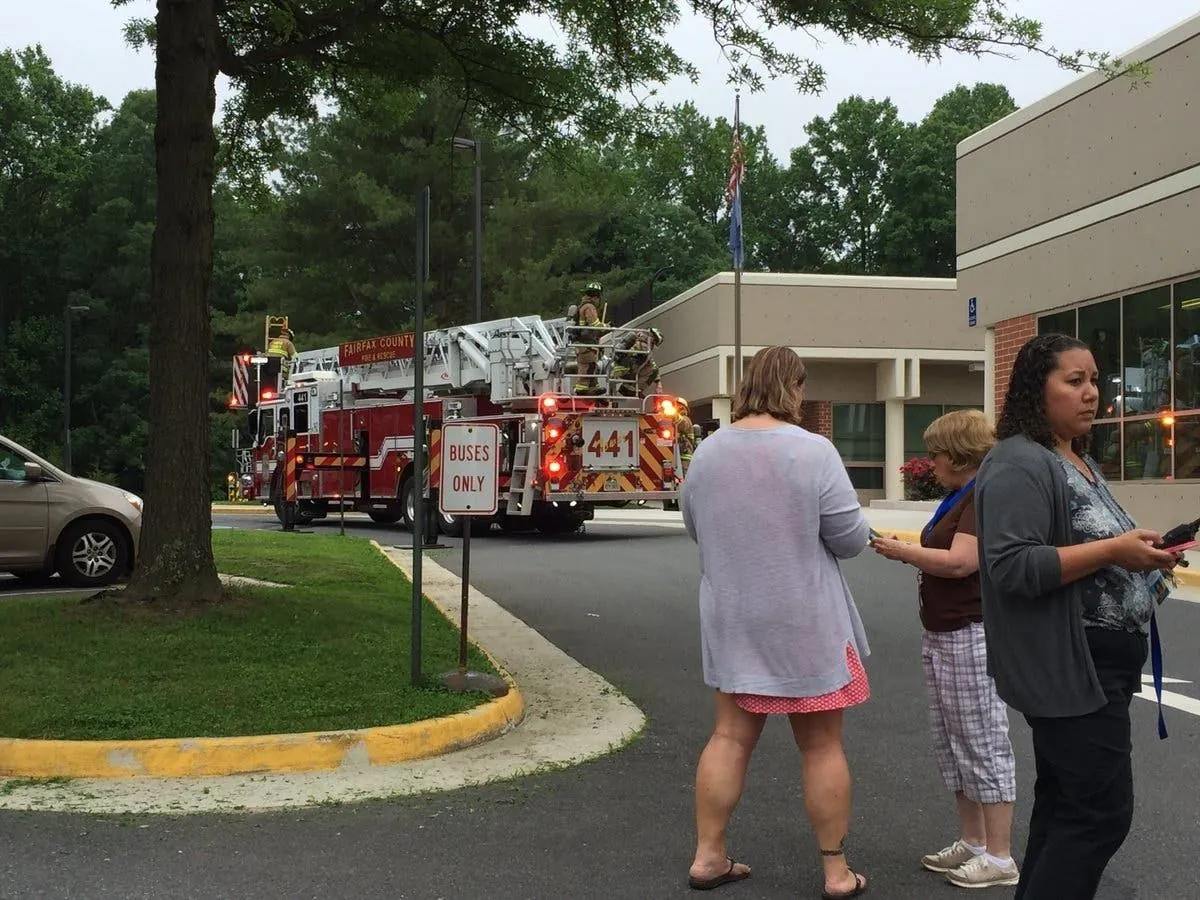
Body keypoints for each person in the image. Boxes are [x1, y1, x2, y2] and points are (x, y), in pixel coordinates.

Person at [974, 332, 1181, 899]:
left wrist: (1140, 550)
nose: (1093, 393)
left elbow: (1088, 547)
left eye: (1095, 380)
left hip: (1099, 670)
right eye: (1075, 381)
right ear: (1034, 389)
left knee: (1067, 809)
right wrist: (1116, 551)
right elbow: (1013, 566)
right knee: (1099, 815)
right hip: (1071, 672)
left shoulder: (1075, 458)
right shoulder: (1018, 461)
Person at [681, 346, 871, 899]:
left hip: (734, 616)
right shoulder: (815, 452)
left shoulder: (708, 452)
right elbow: (850, 539)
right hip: (804, 621)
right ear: (793, 387)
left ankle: (708, 856)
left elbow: (696, 527)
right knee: (820, 747)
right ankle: (836, 872)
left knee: (729, 737)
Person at [871, 409, 1019, 889]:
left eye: (934, 453)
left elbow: (960, 563)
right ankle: (974, 842)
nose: (928, 461)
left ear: (958, 455)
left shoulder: (980, 497)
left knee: (982, 741)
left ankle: (999, 856)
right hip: (943, 632)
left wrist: (903, 551)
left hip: (969, 633)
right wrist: (911, 547)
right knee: (953, 743)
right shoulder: (961, 495)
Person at [570, 284, 607, 395]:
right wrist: (605, 327)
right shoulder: (589, 307)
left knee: (591, 366)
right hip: (586, 344)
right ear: (595, 296)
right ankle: (581, 388)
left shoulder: (583, 306)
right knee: (589, 365)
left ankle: (593, 387)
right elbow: (594, 324)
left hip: (583, 344)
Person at [611, 328, 663, 397]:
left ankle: (628, 388)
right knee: (653, 370)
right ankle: (631, 388)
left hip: (623, 368)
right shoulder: (642, 344)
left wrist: (658, 383)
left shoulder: (642, 344)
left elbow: (652, 364)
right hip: (624, 367)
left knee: (653, 369)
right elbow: (651, 364)